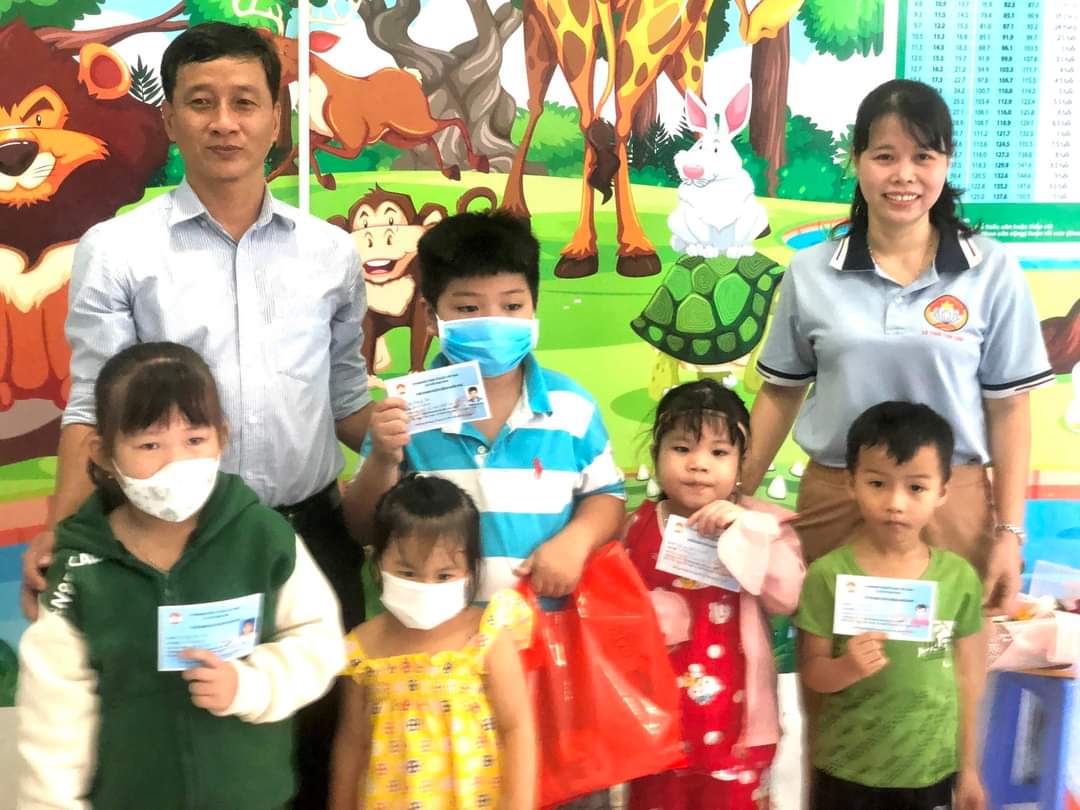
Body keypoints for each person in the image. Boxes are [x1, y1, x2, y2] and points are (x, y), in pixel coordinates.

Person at [18, 23, 371, 807]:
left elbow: (346, 400)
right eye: (201, 102)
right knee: (195, 753)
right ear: (170, 118)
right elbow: (94, 404)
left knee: (319, 749)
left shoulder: (330, 253)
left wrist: (430, 442)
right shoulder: (117, 249)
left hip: (310, 538)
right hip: (176, 549)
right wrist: (63, 529)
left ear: (276, 117)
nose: (225, 123)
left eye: (245, 102)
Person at [344, 209, 625, 809]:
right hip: (443, 667)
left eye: (512, 304)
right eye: (468, 307)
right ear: (432, 315)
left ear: (534, 308)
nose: (492, 320)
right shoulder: (408, 413)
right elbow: (364, 525)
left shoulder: (571, 408)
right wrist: (383, 457)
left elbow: (607, 497)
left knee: (564, 786)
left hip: (551, 651)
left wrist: (575, 540)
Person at [742, 79, 1053, 614]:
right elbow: (780, 393)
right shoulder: (811, 272)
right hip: (839, 501)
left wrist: (1009, 532)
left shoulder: (991, 269)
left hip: (949, 504)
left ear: (947, 162)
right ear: (857, 160)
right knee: (834, 657)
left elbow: (1009, 409)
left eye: (923, 156)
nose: (904, 175)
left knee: (946, 660)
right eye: (884, 156)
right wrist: (732, 497)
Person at [16, 342, 345, 810]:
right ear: (104, 452)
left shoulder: (263, 537)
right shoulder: (79, 570)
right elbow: (54, 721)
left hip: (252, 799)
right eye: (150, 445)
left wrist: (252, 685)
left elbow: (319, 641)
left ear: (222, 437)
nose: (176, 462)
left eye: (195, 440)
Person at [622, 380, 805, 810]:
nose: (699, 464)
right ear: (656, 454)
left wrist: (744, 529)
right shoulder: (635, 527)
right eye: (681, 448)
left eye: (719, 453)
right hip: (656, 734)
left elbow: (788, 596)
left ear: (742, 463)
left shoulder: (763, 524)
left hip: (737, 736)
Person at [794, 401, 985, 810]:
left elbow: (968, 678)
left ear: (942, 492)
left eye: (916, 488)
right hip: (846, 770)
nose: (895, 503)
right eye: (878, 483)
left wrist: (968, 769)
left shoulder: (959, 578)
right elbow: (813, 673)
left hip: (930, 770)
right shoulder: (828, 575)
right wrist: (846, 667)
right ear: (851, 483)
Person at [329, 474, 535, 809]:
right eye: (407, 573)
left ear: (470, 570)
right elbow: (352, 744)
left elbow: (517, 729)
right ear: (377, 564)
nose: (425, 585)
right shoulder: (361, 649)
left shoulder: (487, 635)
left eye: (444, 575)